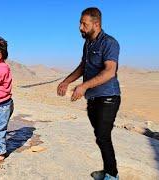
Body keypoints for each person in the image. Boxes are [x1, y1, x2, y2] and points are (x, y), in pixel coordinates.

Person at [57, 7, 121, 180]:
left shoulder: (109, 43)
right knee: (100, 137)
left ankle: (112, 175)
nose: (80, 27)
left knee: (102, 136)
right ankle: (109, 170)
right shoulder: (88, 43)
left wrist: (83, 86)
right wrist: (67, 81)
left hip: (108, 97)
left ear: (96, 24)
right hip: (93, 98)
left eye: (84, 24)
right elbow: (83, 67)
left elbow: (109, 71)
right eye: (80, 23)